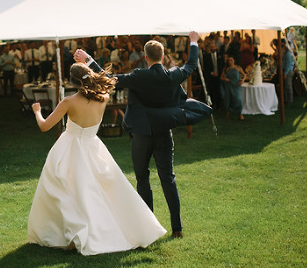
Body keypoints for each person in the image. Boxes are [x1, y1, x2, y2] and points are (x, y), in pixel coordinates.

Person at [75, 31, 211, 238]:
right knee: (168, 178)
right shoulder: (173, 75)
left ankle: (149, 227)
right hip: (163, 133)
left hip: (141, 134)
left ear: (146, 57)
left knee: (142, 178)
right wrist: (193, 42)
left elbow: (109, 79)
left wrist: (89, 60)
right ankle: (177, 229)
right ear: (163, 56)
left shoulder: (139, 76)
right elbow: (192, 65)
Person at [27, 62, 166, 255]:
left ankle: (69, 233)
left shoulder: (68, 102)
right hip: (93, 147)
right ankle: (89, 230)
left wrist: (36, 111)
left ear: (72, 81)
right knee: (95, 191)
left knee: (66, 190)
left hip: (70, 148)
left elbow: (44, 126)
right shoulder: (104, 98)